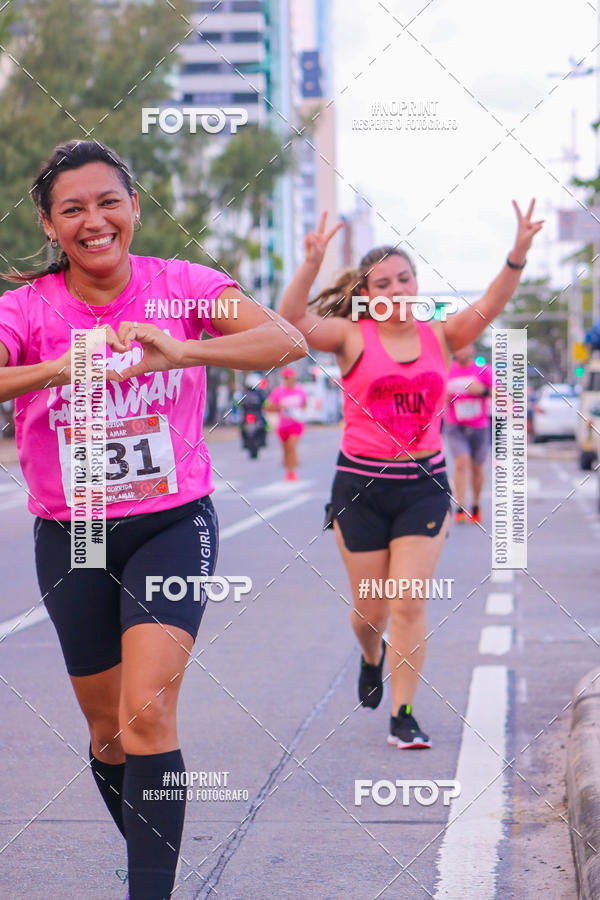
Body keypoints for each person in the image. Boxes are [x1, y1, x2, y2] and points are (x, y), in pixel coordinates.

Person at [0, 140, 306, 899]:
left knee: (147, 713)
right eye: (72, 209)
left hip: (170, 520)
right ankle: (149, 850)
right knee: (108, 733)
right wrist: (56, 367)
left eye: (109, 202)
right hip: (74, 530)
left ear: (135, 208)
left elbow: (285, 341)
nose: (94, 220)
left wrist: (178, 352)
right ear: (49, 225)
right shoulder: (27, 309)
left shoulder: (183, 286)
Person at [279, 203, 543, 748]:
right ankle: (370, 654)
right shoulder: (352, 338)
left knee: (407, 602)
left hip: (423, 486)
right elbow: (291, 320)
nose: (396, 289)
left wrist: (517, 252)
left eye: (405, 279)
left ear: (416, 284)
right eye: (383, 283)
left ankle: (404, 712)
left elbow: (493, 304)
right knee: (370, 612)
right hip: (360, 489)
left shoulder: (441, 336)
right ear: (367, 294)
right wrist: (310, 264)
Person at [445, 343, 493, 523]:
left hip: (479, 425)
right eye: (457, 348)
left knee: (477, 467)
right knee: (461, 463)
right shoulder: (447, 370)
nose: (460, 351)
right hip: (455, 425)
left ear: (472, 349)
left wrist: (483, 391)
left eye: (464, 347)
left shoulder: (483, 371)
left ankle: (476, 504)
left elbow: (501, 394)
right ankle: (460, 506)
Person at [265, 367, 308, 480]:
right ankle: (290, 466)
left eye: (291, 378)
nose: (289, 380)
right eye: (286, 378)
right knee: (286, 450)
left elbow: (305, 405)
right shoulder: (278, 392)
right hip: (283, 425)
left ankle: (292, 472)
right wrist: (279, 407)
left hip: (296, 424)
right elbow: (268, 407)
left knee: (291, 446)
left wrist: (300, 413)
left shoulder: (300, 391)